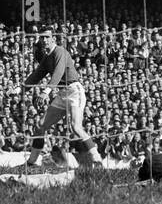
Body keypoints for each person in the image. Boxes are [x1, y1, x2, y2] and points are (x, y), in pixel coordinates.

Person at [16, 30, 103, 168]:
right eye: (42, 37)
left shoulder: (60, 51)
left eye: (47, 37)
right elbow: (36, 76)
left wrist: (46, 91)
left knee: (76, 127)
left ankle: (97, 160)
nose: (44, 40)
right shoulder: (46, 58)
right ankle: (31, 163)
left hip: (74, 91)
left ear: (53, 39)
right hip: (62, 93)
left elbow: (59, 72)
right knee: (40, 126)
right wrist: (19, 89)